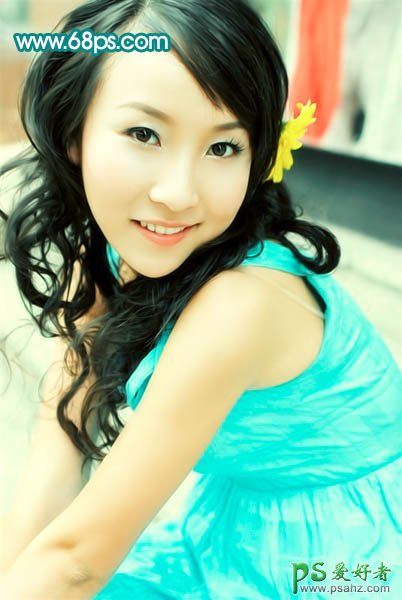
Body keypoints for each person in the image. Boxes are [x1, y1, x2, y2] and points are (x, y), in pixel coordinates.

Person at [0, 0, 401, 598]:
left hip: (343, 564)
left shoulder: (240, 305)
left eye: (222, 147)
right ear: (73, 132)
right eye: (144, 134)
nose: (178, 193)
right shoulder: (113, 249)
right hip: (232, 529)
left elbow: (79, 561)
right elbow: (60, 442)